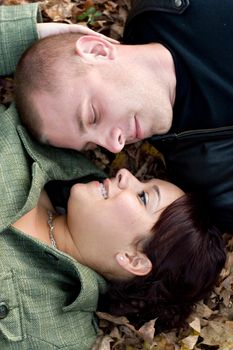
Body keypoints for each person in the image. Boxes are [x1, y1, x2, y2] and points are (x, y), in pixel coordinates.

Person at [10, 1, 233, 233]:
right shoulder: (213, 181)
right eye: (92, 145)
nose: (115, 145)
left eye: (93, 116)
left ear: (97, 50)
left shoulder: (170, 7)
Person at [5, 166, 226, 349]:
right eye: (143, 180)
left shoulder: (49, 332)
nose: (124, 173)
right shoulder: (45, 155)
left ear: (133, 259)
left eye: (143, 197)